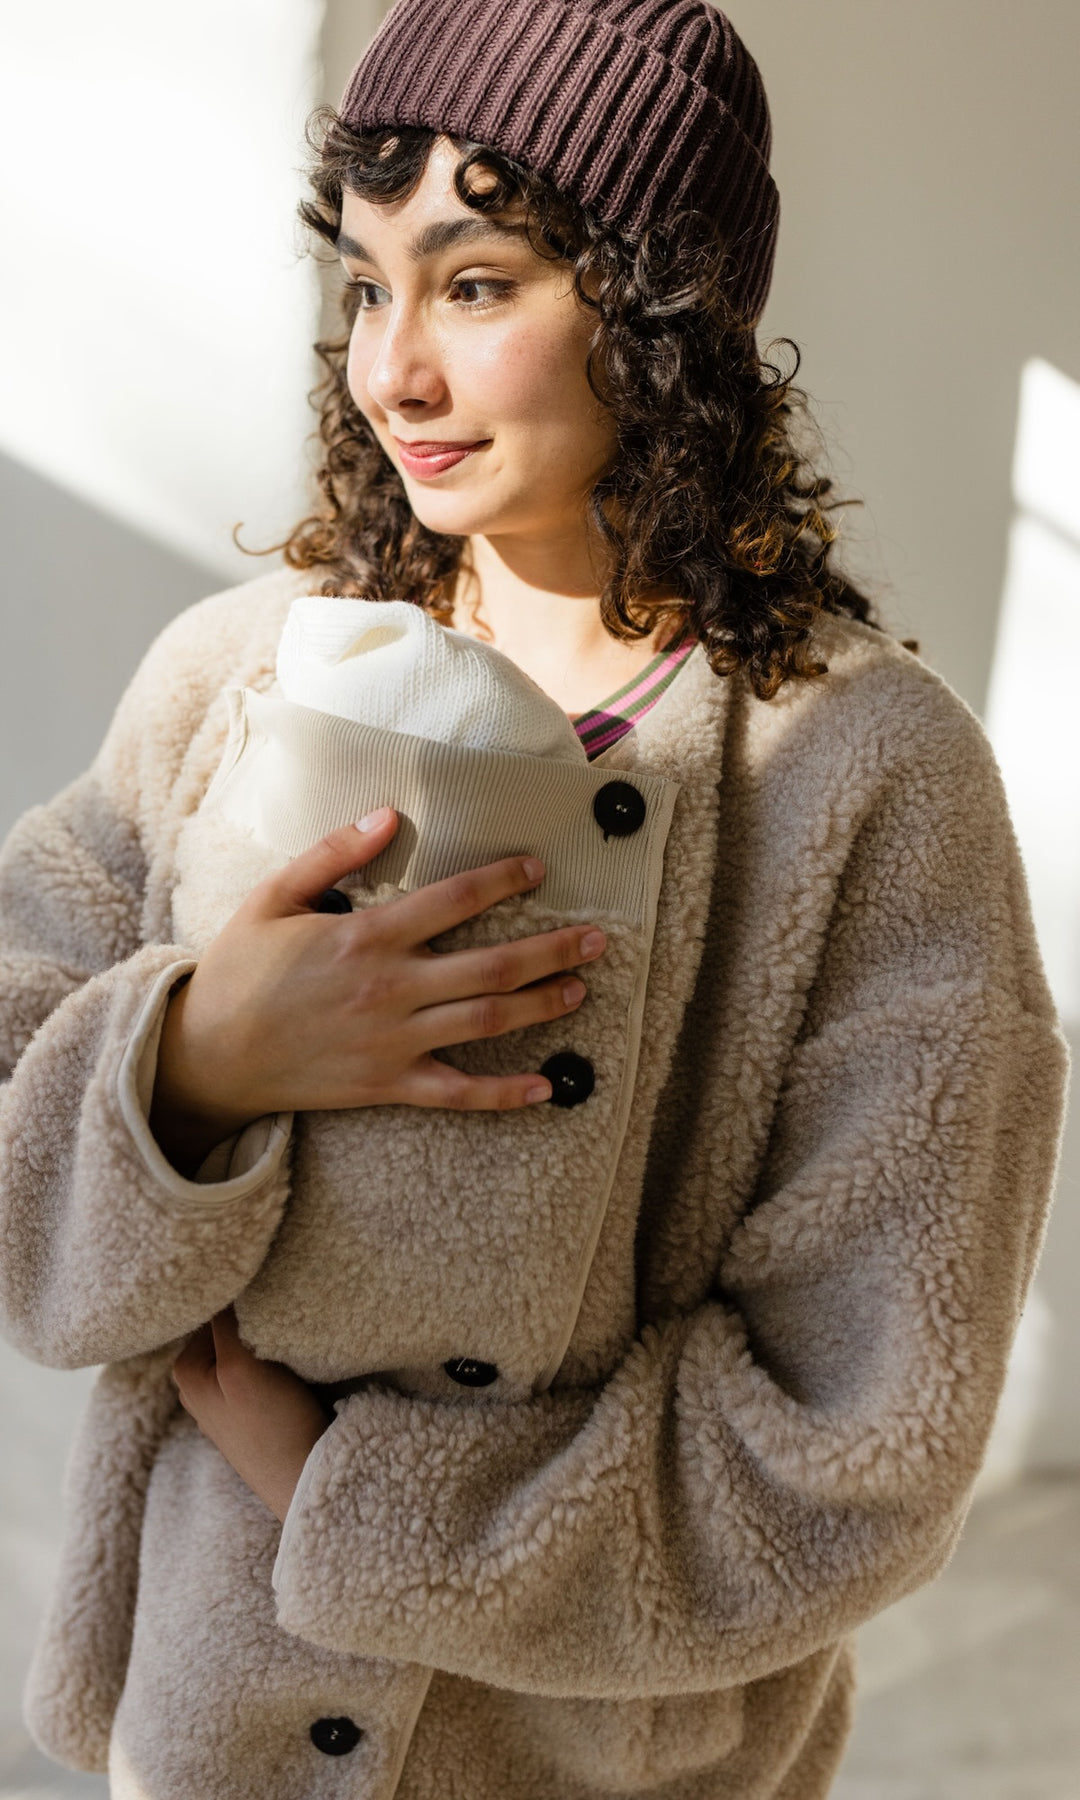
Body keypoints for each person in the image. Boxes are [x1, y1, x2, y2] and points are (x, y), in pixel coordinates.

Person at [0, 2, 1070, 1797]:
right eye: (365, 286)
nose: (391, 370)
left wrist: (335, 1493)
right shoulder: (239, 678)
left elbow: (860, 1442)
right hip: (205, 1745)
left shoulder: (864, 777)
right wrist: (193, 1061)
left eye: (477, 284)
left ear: (664, 307)